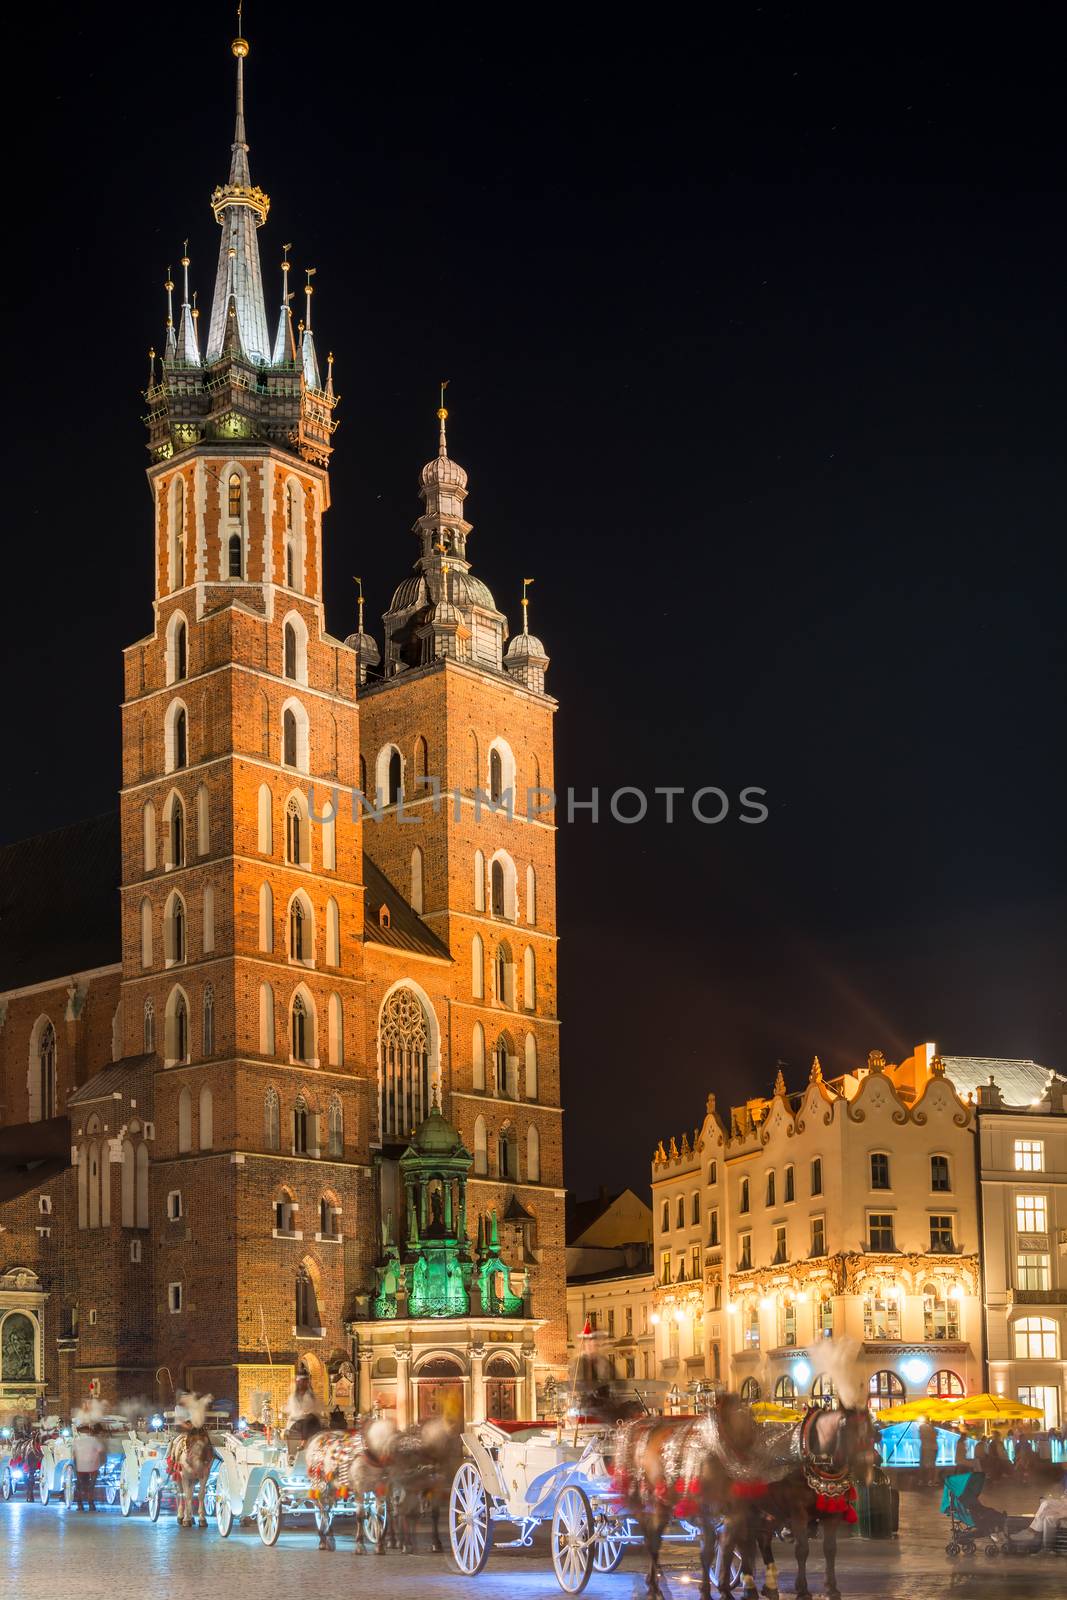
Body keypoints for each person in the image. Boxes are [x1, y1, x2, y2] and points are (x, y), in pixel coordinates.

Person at [71, 1424, 105, 1511]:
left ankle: (80, 1504)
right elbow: (100, 1451)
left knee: (79, 1485)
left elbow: (74, 1455)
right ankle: (91, 1503)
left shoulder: (76, 1441)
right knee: (91, 1486)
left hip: (80, 1466)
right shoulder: (94, 1440)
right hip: (92, 1465)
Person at [918, 1419, 938, 1487]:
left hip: (925, 1447)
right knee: (931, 1466)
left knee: (923, 1465)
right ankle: (930, 1481)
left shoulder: (922, 1427)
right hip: (932, 1448)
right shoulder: (933, 1429)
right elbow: (935, 1436)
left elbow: (920, 1436)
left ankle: (922, 1480)